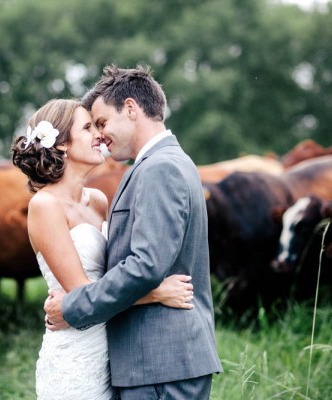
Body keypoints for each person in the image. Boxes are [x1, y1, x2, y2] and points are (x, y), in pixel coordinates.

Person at [44, 65, 223, 400]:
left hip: (159, 361)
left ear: (130, 108)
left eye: (102, 122)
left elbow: (146, 265)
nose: (100, 135)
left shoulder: (160, 169)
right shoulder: (161, 163)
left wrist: (72, 308)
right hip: (154, 362)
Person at [12, 98, 195, 400]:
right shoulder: (45, 205)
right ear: (61, 146)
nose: (99, 134)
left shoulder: (98, 200)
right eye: (87, 128)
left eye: (97, 125)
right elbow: (82, 292)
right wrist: (156, 293)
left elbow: (115, 271)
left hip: (116, 350)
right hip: (76, 355)